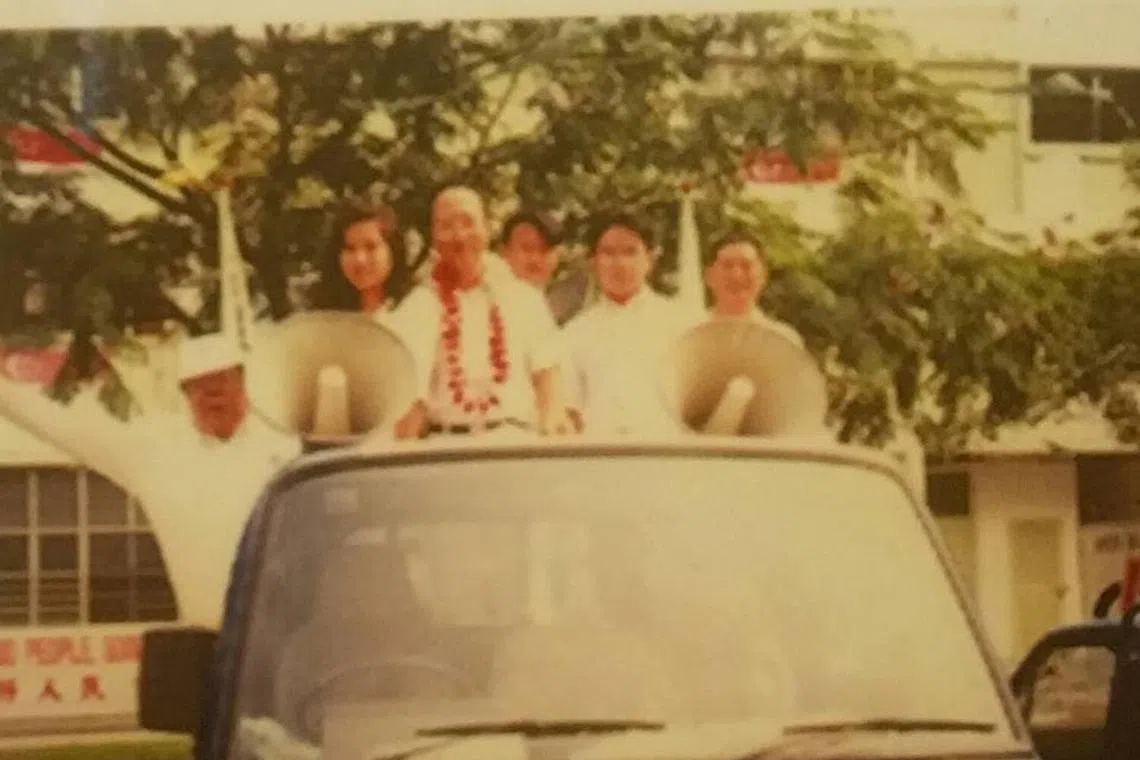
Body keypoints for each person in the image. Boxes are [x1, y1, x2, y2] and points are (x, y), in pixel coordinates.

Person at [0, 331, 301, 627]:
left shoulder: (288, 454)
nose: (213, 395)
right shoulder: (158, 456)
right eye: (200, 387)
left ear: (242, 383)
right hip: (202, 637)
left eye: (222, 382)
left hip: (284, 637)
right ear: (185, 394)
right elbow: (61, 424)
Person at [388, 185, 575, 438]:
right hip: (446, 446)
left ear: (487, 229)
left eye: (468, 223)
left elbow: (548, 376)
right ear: (434, 237)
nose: (459, 236)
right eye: (446, 226)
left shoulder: (523, 297)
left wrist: (552, 419)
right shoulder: (419, 306)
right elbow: (411, 399)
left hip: (514, 440)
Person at [561, 212, 701, 434]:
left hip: (665, 448)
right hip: (598, 449)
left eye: (630, 252)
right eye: (608, 253)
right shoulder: (575, 332)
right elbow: (569, 411)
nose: (620, 263)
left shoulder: (681, 324)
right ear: (593, 262)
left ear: (650, 259)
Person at [704, 231, 805, 348]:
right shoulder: (687, 330)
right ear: (709, 275)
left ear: (763, 276)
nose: (736, 275)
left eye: (746, 266)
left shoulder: (784, 340)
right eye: (727, 265)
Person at [311, 197, 409, 317]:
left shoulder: (415, 308)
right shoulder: (322, 316)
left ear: (393, 250)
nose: (359, 260)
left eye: (371, 247)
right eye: (350, 248)